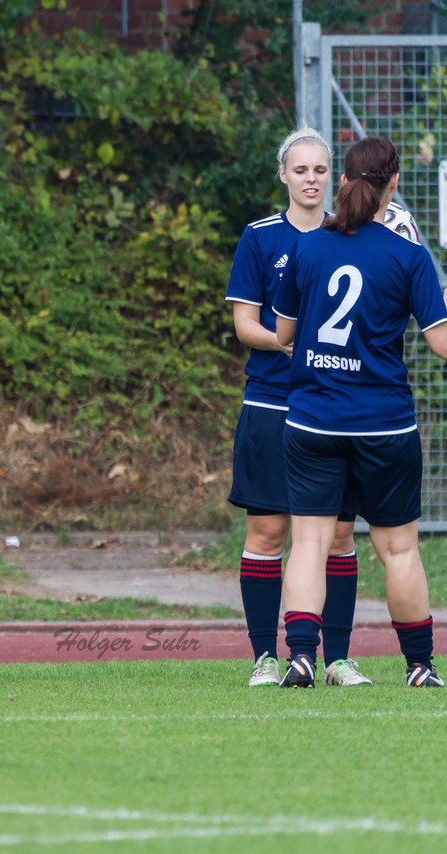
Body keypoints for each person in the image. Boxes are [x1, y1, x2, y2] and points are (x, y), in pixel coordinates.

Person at [273, 135, 447, 688]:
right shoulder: (409, 256)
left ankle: (300, 655)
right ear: (392, 185)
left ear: (342, 180)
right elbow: (441, 343)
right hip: (383, 422)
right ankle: (419, 666)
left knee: (309, 542)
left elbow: (283, 333)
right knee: (397, 549)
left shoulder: (308, 246)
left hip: (312, 418)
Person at [225, 128, 369, 687]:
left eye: (320, 170)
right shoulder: (260, 238)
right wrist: (284, 342)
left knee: (337, 535)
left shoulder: (353, 237)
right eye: (300, 170)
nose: (311, 179)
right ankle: (266, 656)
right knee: (267, 531)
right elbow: (245, 325)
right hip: (271, 402)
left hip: (335, 405)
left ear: (332, 176)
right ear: (283, 175)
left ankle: (335, 659)